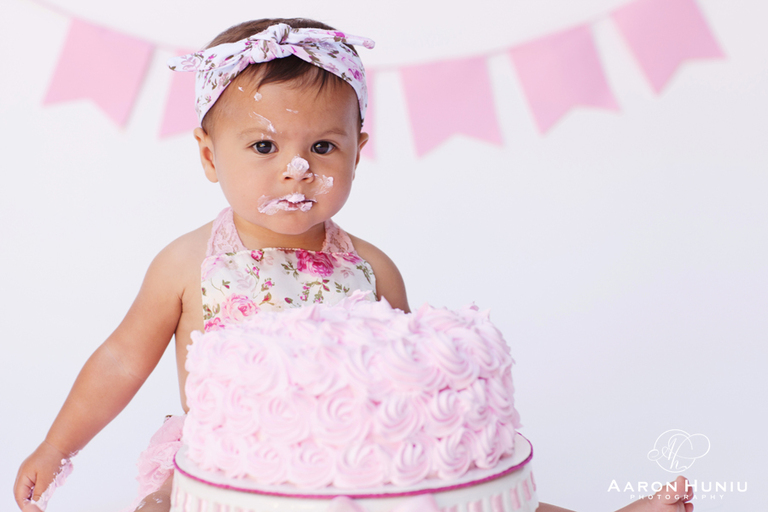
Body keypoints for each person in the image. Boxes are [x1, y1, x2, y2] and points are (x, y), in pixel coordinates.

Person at [12, 18, 694, 512]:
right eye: (263, 146)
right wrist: (56, 447)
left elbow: (414, 397)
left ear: (359, 151)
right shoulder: (189, 263)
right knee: (164, 510)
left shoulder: (370, 269)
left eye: (325, 146)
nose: (297, 167)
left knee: (470, 503)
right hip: (228, 473)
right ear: (208, 155)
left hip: (358, 476)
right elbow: (120, 361)